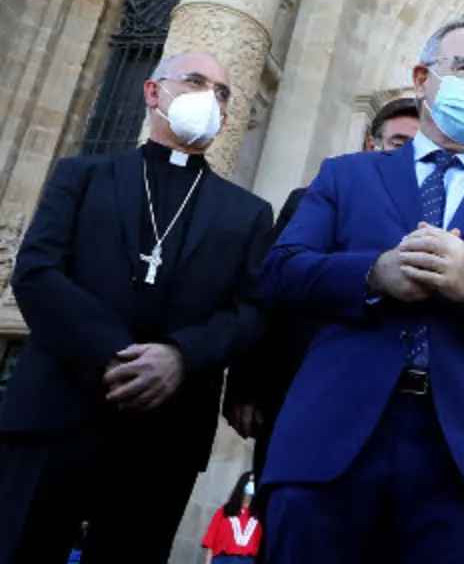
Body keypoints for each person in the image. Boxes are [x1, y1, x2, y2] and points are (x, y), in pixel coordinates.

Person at [259, 15, 464, 564]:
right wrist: (373, 274)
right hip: (332, 441)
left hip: (461, 460)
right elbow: (280, 271)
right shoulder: (346, 176)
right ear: (423, 78)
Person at [0, 52, 273, 563]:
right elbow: (37, 272)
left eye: (221, 93)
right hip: (58, 408)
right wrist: (115, 354)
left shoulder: (249, 213)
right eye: (195, 81)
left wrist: (179, 357)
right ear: (153, 92)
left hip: (167, 429)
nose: (210, 98)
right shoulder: (82, 176)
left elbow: (253, 311)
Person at [224, 96, 421, 481]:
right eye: (398, 143)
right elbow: (267, 291)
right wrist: (246, 384)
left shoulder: (437, 222)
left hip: (393, 408)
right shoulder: (313, 200)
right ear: (371, 144)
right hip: (300, 392)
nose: (406, 158)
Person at [202, 472, 262, 564]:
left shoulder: (260, 516)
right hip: (222, 559)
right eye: (251, 481)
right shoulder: (224, 511)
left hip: (247, 560)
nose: (253, 485)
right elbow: (210, 542)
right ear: (243, 483)